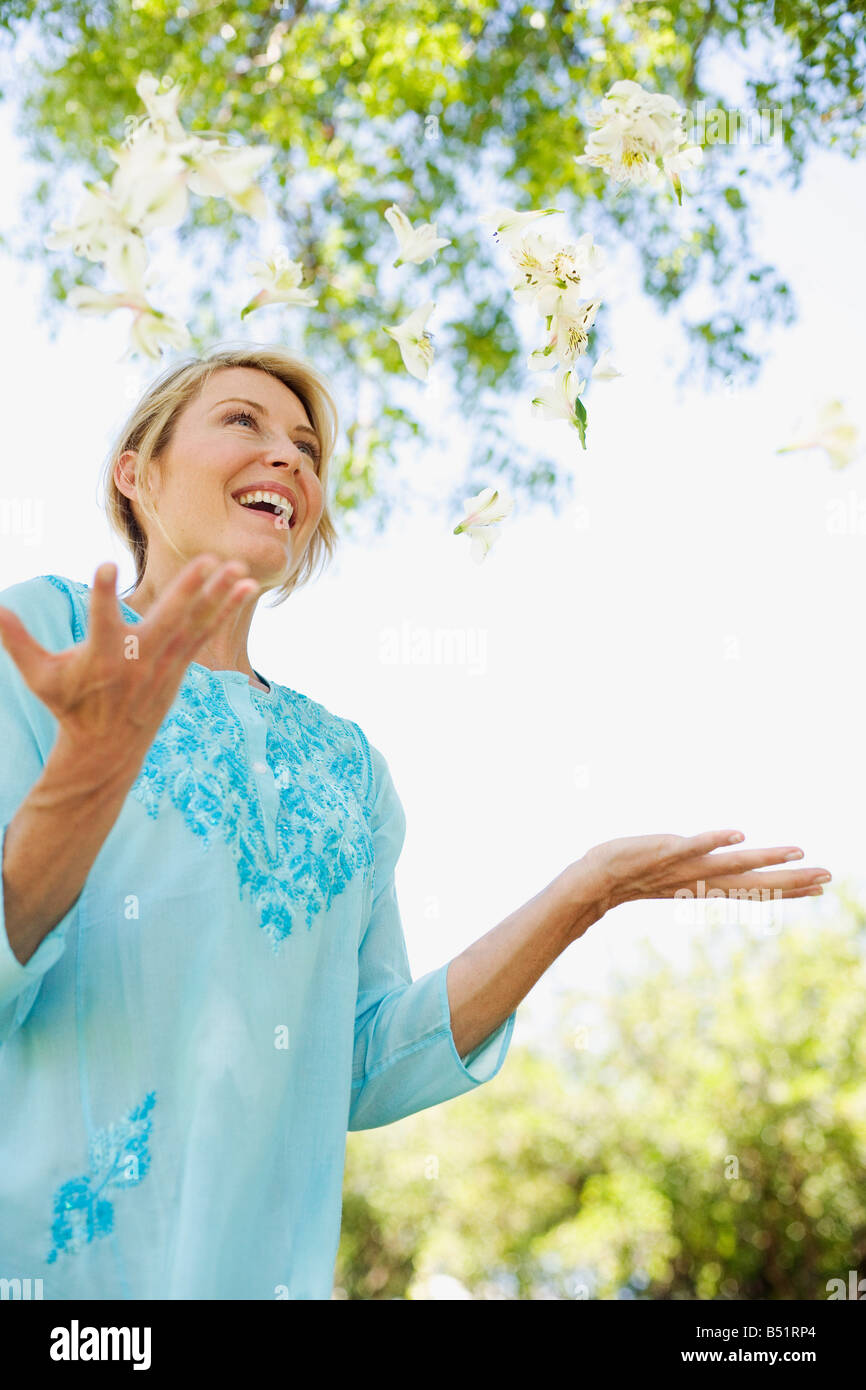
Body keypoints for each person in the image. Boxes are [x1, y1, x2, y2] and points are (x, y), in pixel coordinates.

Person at [0, 345, 831, 1300]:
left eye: (309, 449)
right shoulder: (44, 636)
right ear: (135, 472)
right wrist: (85, 780)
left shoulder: (348, 764)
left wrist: (586, 894)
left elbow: (358, 1061)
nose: (291, 461)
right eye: (244, 423)